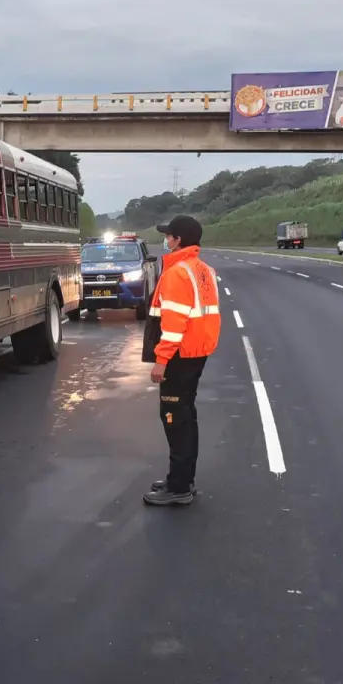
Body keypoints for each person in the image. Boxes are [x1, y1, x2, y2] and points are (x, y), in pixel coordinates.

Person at [141, 215, 221, 506]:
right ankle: (183, 478)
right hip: (197, 353)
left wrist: (161, 360)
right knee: (186, 415)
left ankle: (179, 488)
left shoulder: (177, 273)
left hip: (178, 355)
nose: (166, 239)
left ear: (177, 240)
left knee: (175, 418)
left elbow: (173, 325)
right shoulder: (204, 271)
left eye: (169, 235)